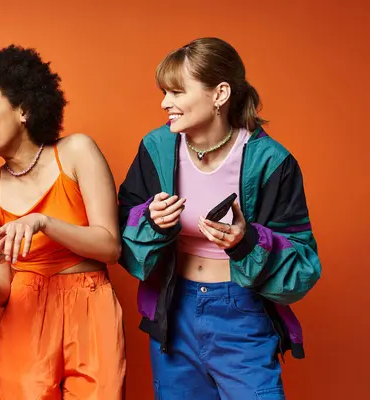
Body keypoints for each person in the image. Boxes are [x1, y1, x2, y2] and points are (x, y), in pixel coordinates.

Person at [118, 37, 321, 399]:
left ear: (220, 94)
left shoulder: (271, 162)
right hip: (173, 310)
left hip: (242, 312)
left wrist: (246, 241)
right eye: (165, 92)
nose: (166, 103)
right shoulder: (156, 148)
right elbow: (120, 232)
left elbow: (304, 267)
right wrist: (150, 221)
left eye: (177, 92)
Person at [0, 45, 126, 399]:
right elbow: (1, 291)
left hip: (91, 306)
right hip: (25, 314)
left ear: (24, 109)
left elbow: (110, 247)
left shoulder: (77, 151)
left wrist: (44, 222)